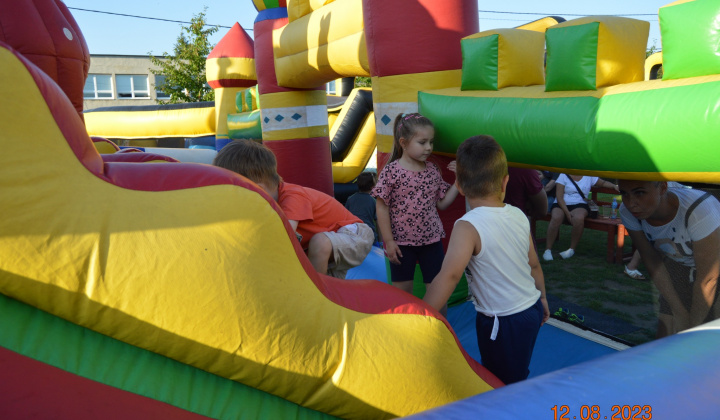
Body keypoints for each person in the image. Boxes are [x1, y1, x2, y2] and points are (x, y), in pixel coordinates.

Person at [424, 135, 549, 384]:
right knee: (517, 369)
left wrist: (421, 313)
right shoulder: (518, 215)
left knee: (499, 379)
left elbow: (449, 275)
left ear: (459, 186)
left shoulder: (467, 226)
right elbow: (533, 264)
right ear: (505, 182)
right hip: (531, 309)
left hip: (502, 321)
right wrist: (543, 297)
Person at [213, 140, 374, 279]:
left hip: (353, 233)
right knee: (332, 283)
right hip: (324, 246)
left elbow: (285, 237)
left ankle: (316, 294)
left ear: (258, 189)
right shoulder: (265, 204)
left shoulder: (292, 197)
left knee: (318, 243)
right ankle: (327, 294)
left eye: (236, 193)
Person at [618, 180, 720, 337]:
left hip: (714, 268)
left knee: (706, 338)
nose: (631, 203)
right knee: (666, 333)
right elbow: (650, 258)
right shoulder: (627, 212)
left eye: (640, 193)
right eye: (624, 194)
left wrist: (692, 329)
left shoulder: (699, 210)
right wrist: (679, 311)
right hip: (680, 264)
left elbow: (708, 278)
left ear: (663, 188)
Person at [373, 113, 459, 295]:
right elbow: (382, 206)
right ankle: (403, 323)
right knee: (402, 293)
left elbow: (441, 204)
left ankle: (438, 323)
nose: (429, 148)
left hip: (431, 241)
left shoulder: (432, 171)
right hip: (401, 243)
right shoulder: (392, 171)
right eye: (422, 142)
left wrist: (458, 183)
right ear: (403, 143)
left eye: (431, 142)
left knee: (437, 289)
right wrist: (388, 241)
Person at [542, 174, 618, 261]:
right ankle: (547, 250)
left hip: (580, 203)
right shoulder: (563, 175)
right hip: (562, 203)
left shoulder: (589, 175)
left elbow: (603, 183)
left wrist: (614, 186)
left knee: (578, 218)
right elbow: (559, 197)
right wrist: (567, 213)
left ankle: (571, 249)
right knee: (556, 217)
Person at [345, 172, 380, 244]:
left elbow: (345, 218)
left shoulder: (350, 199)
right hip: (369, 236)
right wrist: (380, 240)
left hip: (353, 235)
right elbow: (378, 222)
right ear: (372, 187)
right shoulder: (373, 201)